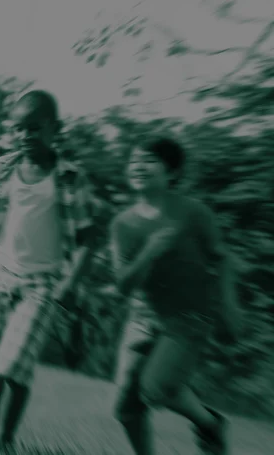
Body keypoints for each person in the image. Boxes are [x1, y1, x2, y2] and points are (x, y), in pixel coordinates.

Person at [0, 90, 104, 445]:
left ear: (54, 129)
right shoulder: (0, 170)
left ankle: (4, 439)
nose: (25, 136)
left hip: (43, 283)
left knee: (15, 363)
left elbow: (90, 239)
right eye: (18, 129)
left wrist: (71, 283)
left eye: (34, 128)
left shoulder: (70, 178)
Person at [109, 138, 243, 455]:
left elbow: (221, 259)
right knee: (125, 409)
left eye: (149, 160)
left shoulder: (193, 212)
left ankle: (209, 424)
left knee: (156, 389)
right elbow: (123, 285)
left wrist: (229, 306)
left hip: (189, 318)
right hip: (142, 319)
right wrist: (149, 253)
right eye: (134, 160)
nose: (138, 166)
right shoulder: (122, 224)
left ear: (173, 173)